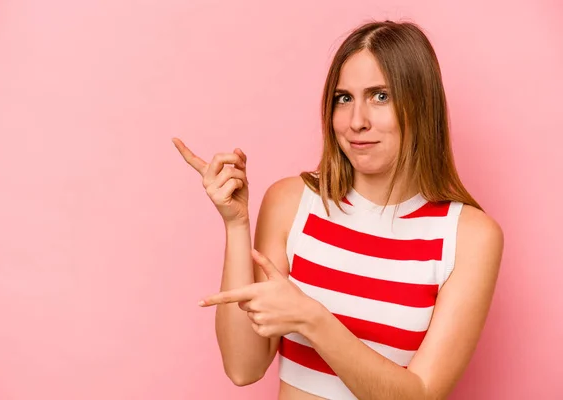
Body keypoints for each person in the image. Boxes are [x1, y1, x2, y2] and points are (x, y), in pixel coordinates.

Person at [173, 19, 503, 400]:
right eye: (344, 98)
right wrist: (236, 225)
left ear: (421, 105)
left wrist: (312, 319)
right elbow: (243, 368)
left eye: (381, 96)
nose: (357, 122)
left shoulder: (468, 236)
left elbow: (420, 395)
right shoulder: (291, 202)